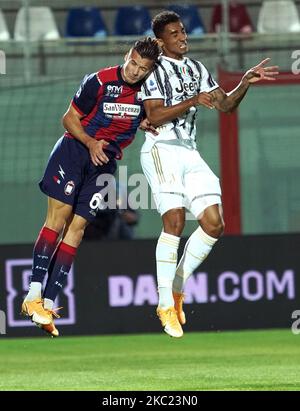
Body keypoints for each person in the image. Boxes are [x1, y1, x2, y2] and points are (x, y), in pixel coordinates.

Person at [140, 11, 278, 338]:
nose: (183, 37)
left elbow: (226, 106)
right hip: (162, 149)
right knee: (174, 221)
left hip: (189, 150)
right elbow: (155, 116)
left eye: (183, 31)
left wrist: (244, 82)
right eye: (174, 34)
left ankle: (176, 287)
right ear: (161, 41)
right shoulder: (153, 69)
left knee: (214, 224)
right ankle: (163, 305)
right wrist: (193, 99)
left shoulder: (197, 69)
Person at [21, 37, 160, 337]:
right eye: (133, 63)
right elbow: (68, 118)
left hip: (104, 165)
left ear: (150, 70)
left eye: (142, 68)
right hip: (74, 151)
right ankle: (32, 295)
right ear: (127, 55)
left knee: (78, 230)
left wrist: (144, 123)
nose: (135, 71)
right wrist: (90, 141)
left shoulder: (147, 93)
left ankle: (47, 305)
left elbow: (138, 118)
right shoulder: (98, 81)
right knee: (57, 221)